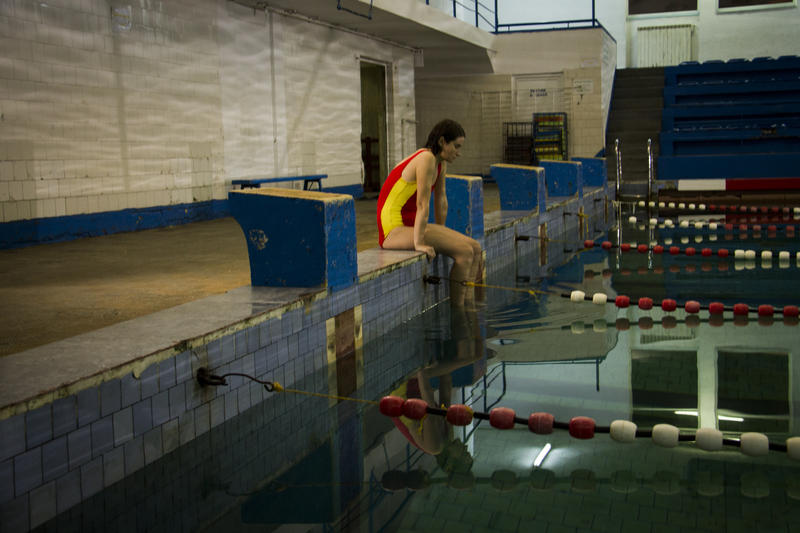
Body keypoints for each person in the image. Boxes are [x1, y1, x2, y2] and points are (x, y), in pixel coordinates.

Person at [377, 119, 483, 306]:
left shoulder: (440, 163)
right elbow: (422, 203)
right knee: (465, 253)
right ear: (442, 142)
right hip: (392, 230)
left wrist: (441, 231)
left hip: (411, 225)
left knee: (475, 248)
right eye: (456, 146)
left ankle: (471, 306)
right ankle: (458, 312)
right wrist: (419, 243)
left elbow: (441, 200)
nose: (459, 152)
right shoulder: (426, 159)